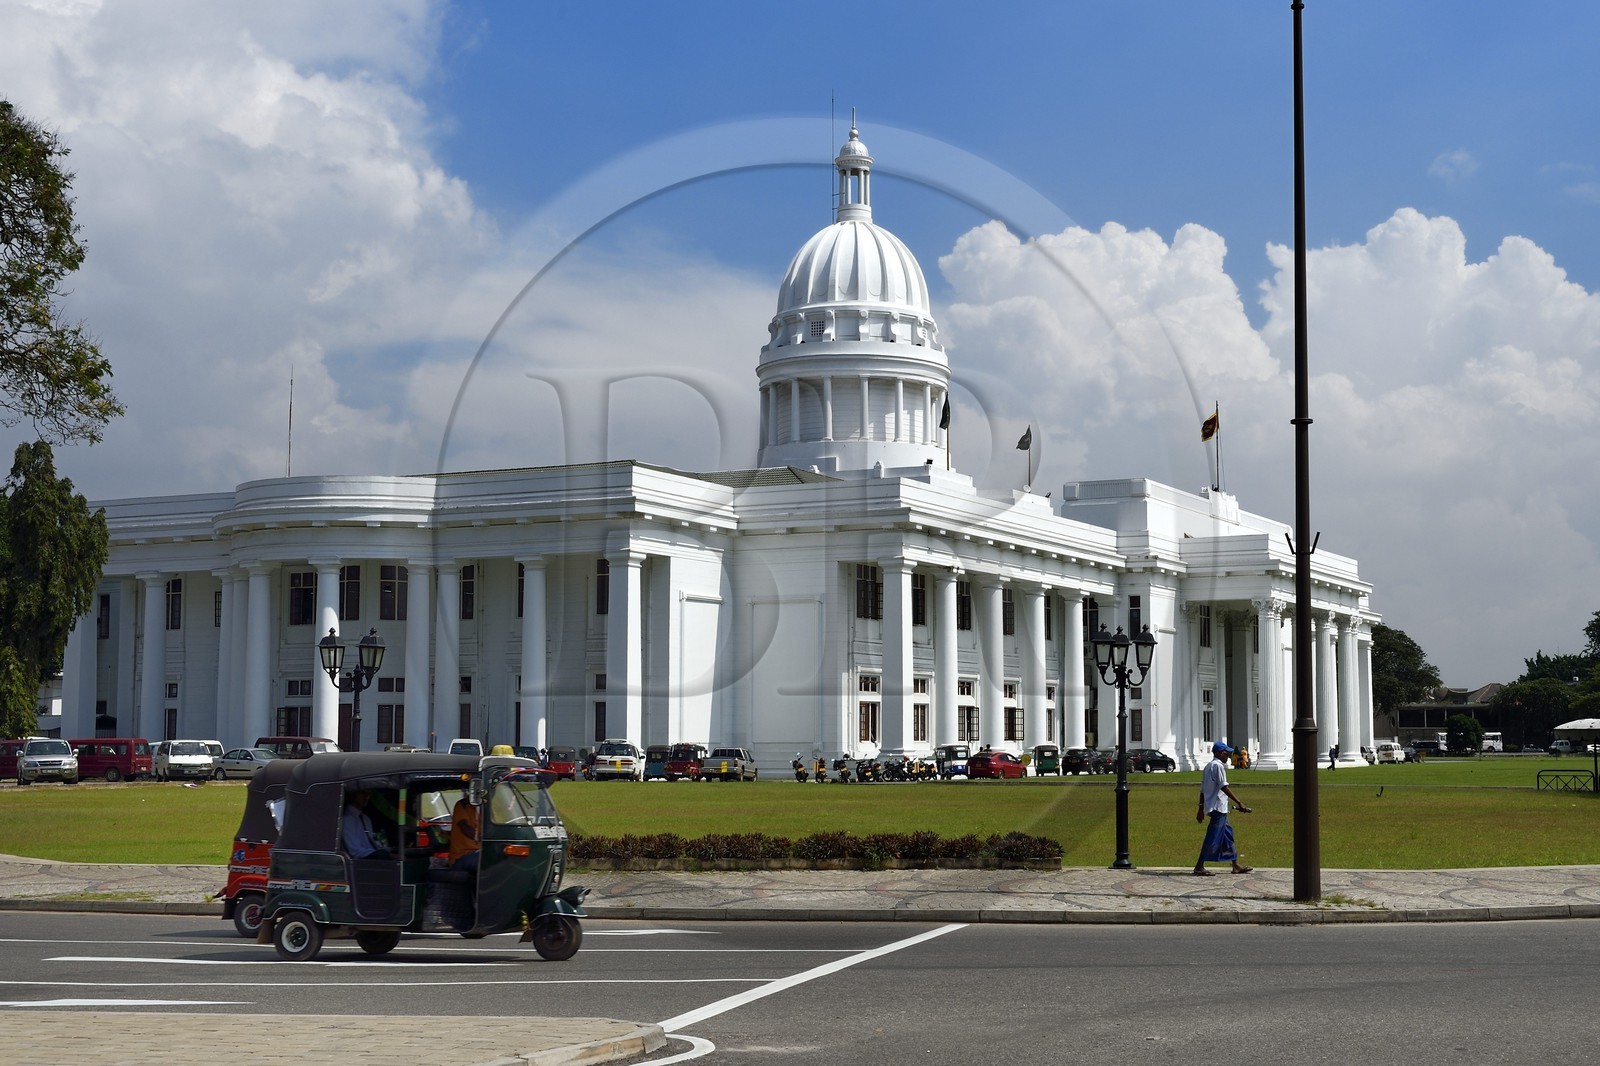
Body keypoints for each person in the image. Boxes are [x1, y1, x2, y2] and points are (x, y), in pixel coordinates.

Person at [1194, 741, 1252, 876]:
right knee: (1212, 836)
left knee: (1228, 836)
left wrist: (1201, 808)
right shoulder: (1218, 766)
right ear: (1220, 753)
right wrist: (1239, 802)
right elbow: (1223, 787)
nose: (1229, 755)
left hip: (1217, 807)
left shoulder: (1208, 766)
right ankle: (1199, 866)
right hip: (1218, 807)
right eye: (1227, 753)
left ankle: (1235, 865)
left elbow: (1202, 790)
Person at [342, 789, 391, 860]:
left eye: (368, 793)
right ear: (352, 794)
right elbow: (355, 851)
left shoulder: (366, 819)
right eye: (362, 793)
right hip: (360, 861)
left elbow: (371, 843)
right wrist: (385, 855)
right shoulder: (347, 819)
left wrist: (389, 851)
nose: (366, 797)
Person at [448, 794, 480, 872]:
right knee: (488, 862)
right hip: (461, 856)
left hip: (477, 852)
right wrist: (482, 837)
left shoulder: (483, 809)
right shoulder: (462, 805)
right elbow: (464, 828)